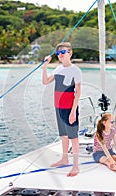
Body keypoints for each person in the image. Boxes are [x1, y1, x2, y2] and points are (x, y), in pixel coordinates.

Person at [42, 42, 82, 177]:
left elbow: (78, 92)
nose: (60, 55)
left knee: (73, 137)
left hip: (69, 108)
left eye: (63, 52)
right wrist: (45, 66)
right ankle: (65, 159)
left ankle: (75, 166)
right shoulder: (58, 69)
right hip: (58, 107)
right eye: (58, 53)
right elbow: (45, 81)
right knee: (63, 136)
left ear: (70, 53)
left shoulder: (75, 70)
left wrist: (73, 111)